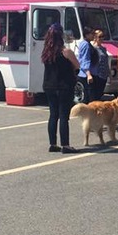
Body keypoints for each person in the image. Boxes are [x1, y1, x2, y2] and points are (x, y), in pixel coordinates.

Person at [41, 23, 80, 154]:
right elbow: (77, 65)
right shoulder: (66, 52)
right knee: (64, 115)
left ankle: (52, 143)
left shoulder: (46, 53)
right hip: (63, 86)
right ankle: (65, 145)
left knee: (53, 115)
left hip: (49, 85)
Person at [77, 26, 99, 103]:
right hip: (86, 75)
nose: (93, 35)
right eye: (91, 34)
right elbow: (85, 60)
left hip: (90, 73)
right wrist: (89, 74)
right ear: (86, 35)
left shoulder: (87, 44)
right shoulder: (86, 45)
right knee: (90, 98)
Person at [91, 28, 110, 100]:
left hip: (104, 74)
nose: (102, 38)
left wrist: (109, 73)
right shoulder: (93, 48)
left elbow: (106, 60)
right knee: (96, 94)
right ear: (95, 38)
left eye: (103, 36)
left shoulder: (103, 48)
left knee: (100, 93)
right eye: (100, 37)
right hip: (97, 74)